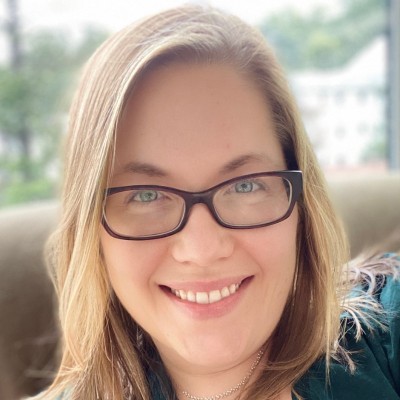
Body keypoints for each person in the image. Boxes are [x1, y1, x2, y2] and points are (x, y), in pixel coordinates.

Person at [31, 5, 400, 400]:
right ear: (91, 231)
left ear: (301, 204)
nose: (202, 250)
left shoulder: (388, 332)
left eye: (245, 187)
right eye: (146, 195)